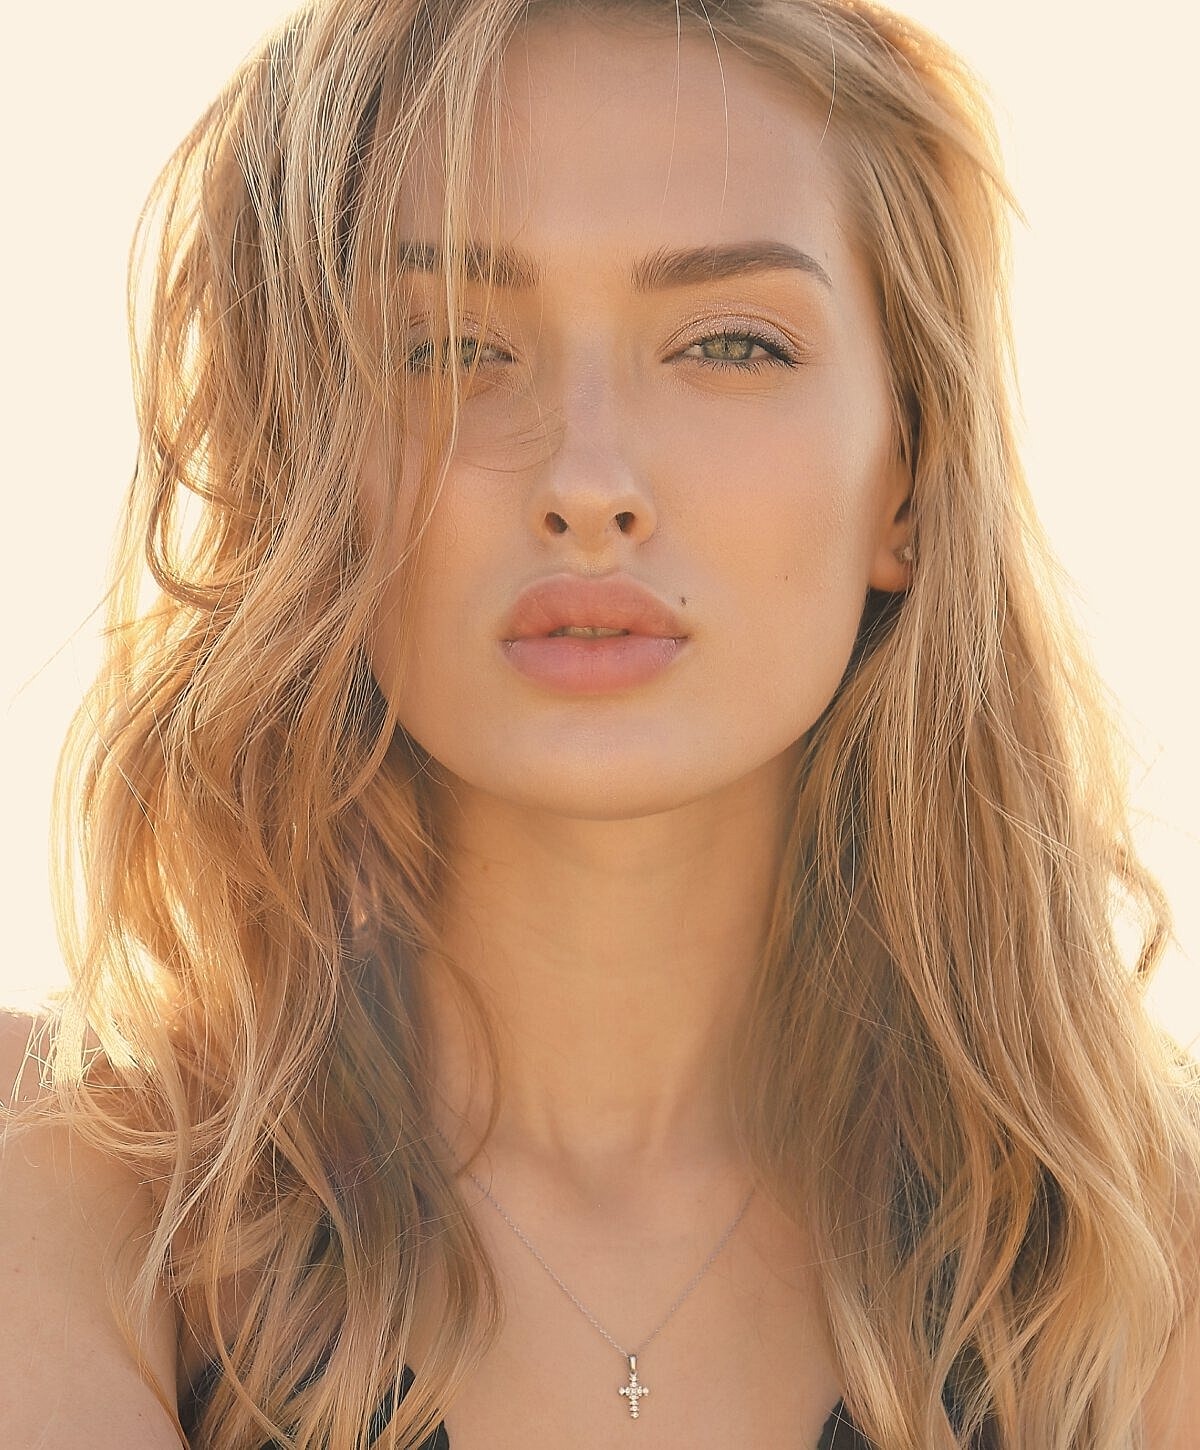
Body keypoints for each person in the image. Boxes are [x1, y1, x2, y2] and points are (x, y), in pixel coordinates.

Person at [2, 0, 1198, 1445]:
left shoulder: (1138, 1272)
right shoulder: (69, 1186)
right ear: (302, 458)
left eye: (732, 346)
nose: (587, 477)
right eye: (449, 346)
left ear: (909, 473)